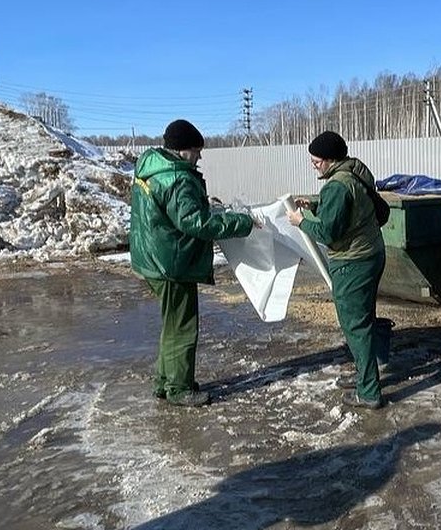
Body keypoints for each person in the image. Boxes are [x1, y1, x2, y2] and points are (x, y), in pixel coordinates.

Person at [129, 119, 257, 407]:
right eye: (197, 151)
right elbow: (195, 222)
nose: (199, 157)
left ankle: (165, 382)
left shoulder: (151, 169)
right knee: (183, 327)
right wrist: (241, 223)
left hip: (152, 258)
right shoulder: (178, 178)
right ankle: (179, 388)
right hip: (172, 263)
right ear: (183, 150)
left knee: (171, 324)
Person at [287, 131, 388, 410]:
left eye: (316, 161)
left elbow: (329, 233)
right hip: (372, 254)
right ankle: (364, 376)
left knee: (356, 326)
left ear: (330, 159)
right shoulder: (354, 171)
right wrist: (315, 205)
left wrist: (300, 221)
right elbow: (350, 209)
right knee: (364, 319)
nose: (314, 166)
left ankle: (368, 392)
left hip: (353, 262)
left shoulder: (336, 186)